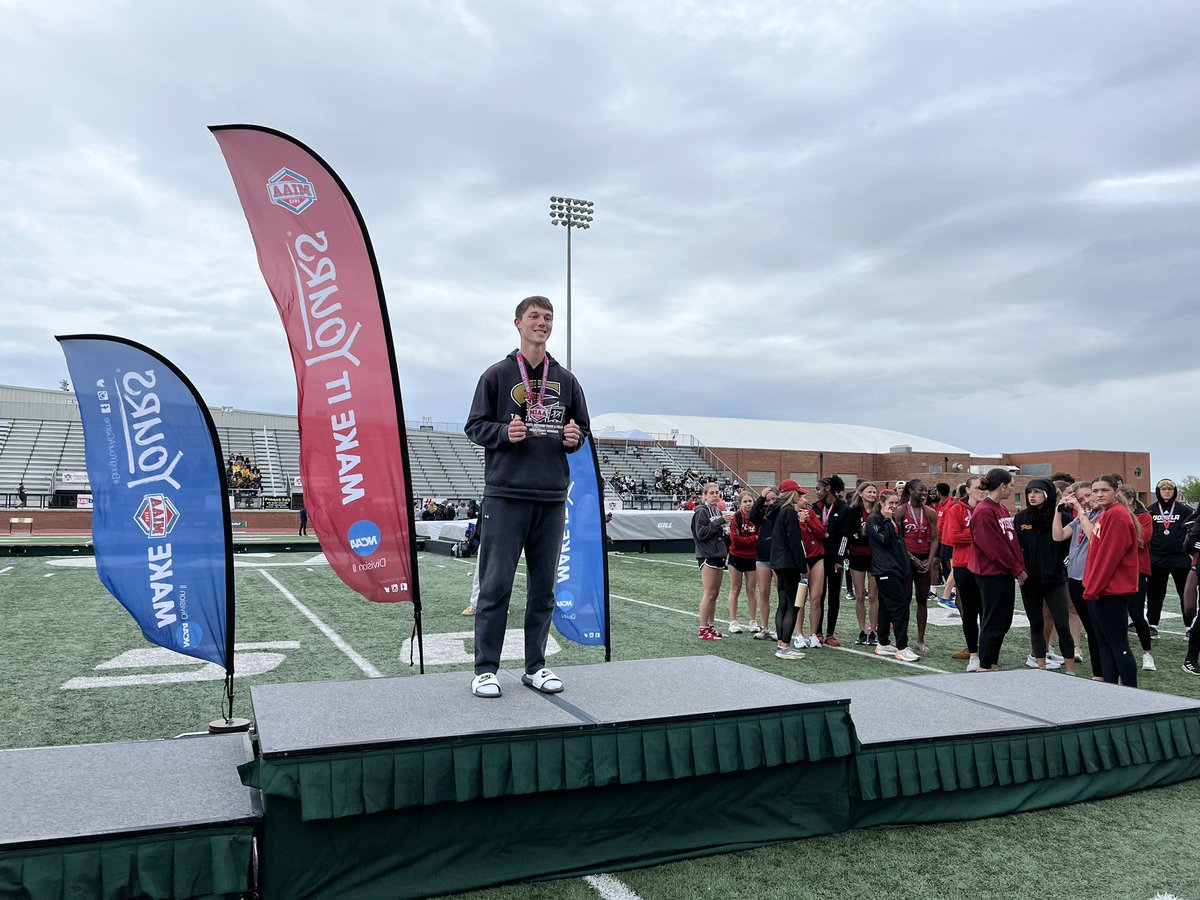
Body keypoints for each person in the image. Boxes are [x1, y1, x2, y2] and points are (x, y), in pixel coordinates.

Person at [464, 295, 589, 699]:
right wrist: (504, 433)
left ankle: (535, 666)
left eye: (547, 317)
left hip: (552, 496)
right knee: (495, 584)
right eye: (534, 316)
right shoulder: (497, 375)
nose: (542, 322)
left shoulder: (567, 380)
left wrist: (574, 439)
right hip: (506, 495)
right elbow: (474, 425)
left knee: (543, 588)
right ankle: (485, 669)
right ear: (517, 323)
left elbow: (580, 429)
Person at [1081, 475, 1140, 686]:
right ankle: (1110, 690)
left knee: (1117, 643)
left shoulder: (1117, 515)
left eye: (1104, 490)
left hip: (1112, 591)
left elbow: (1108, 558)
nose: (1099, 495)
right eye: (1095, 491)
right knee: (1104, 644)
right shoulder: (1107, 514)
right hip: (1102, 589)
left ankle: (1131, 691)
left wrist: (1092, 589)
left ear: (1116, 491)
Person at [1014, 479, 1075, 674]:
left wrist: (1062, 566)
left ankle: (1070, 668)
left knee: (1062, 624)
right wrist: (1019, 571)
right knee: (1036, 624)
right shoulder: (1021, 518)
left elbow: (1070, 549)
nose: (1032, 496)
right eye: (1029, 492)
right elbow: (1017, 548)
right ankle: (1040, 665)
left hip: (1055, 579)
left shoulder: (1063, 516)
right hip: (1030, 580)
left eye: (1037, 492)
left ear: (1048, 494)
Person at [969, 468, 1027, 672]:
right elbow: (993, 548)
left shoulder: (1001, 509)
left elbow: (1011, 542)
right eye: (1011, 486)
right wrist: (1016, 570)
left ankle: (991, 662)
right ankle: (985, 665)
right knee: (993, 621)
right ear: (1002, 486)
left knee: (1003, 621)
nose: (1013, 490)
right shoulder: (985, 510)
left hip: (1003, 573)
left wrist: (1018, 566)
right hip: (991, 574)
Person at [1057, 480, 1103, 679]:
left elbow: (1093, 535)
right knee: (1091, 629)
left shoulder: (1102, 515)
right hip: (1075, 577)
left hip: (1092, 578)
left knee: (1098, 628)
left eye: (1088, 496)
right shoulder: (1082, 517)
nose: (1085, 501)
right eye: (1081, 498)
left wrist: (1080, 511)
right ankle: (1098, 672)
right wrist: (1058, 511)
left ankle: (1103, 672)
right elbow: (1058, 536)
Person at [868, 489, 920, 661]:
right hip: (885, 570)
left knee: (886, 607)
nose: (894, 506)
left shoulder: (893, 521)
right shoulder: (875, 520)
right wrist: (889, 521)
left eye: (896, 503)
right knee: (900, 607)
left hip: (895, 570)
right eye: (891, 503)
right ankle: (902, 647)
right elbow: (884, 540)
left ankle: (882, 642)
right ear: (882, 503)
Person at [942, 476, 984, 671]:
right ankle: (973, 654)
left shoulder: (991, 508)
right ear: (968, 489)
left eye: (984, 488)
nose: (982, 491)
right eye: (977, 488)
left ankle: (987, 651)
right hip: (964, 565)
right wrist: (980, 534)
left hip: (987, 566)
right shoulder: (956, 510)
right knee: (968, 611)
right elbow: (953, 537)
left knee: (988, 611)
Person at [1146, 478, 1195, 635]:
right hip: (1157, 558)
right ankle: (1152, 625)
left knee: (1185, 593)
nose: (1167, 492)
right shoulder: (1151, 510)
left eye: (1170, 489)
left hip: (1179, 558)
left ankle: (1190, 626)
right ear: (1158, 492)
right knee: (1155, 594)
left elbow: (1194, 528)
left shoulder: (1184, 510)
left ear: (1174, 492)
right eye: (1163, 489)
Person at [898, 479, 940, 652]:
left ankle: (921, 640)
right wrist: (912, 558)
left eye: (925, 492)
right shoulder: (901, 511)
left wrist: (929, 561)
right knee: (905, 599)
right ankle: (902, 638)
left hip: (924, 559)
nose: (924, 495)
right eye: (920, 491)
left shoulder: (930, 512)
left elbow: (936, 538)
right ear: (910, 491)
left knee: (922, 599)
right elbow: (898, 538)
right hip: (906, 559)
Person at [770, 480, 809, 661]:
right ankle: (785, 646)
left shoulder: (776, 510)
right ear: (791, 493)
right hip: (789, 562)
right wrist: (802, 566)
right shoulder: (789, 512)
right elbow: (795, 542)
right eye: (798, 494)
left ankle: (781, 643)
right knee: (793, 604)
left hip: (777, 561)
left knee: (783, 603)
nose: (801, 497)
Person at [1118, 485, 1156, 671]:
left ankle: (1147, 653)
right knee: (1116, 616)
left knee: (1136, 614)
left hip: (1137, 570)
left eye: (1120, 499)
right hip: (1116, 570)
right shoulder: (1111, 515)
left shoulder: (1144, 516)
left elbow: (1141, 540)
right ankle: (1121, 654)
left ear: (1130, 500)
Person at [811, 476, 849, 647]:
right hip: (818, 558)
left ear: (827, 488)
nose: (816, 492)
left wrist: (839, 559)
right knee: (818, 595)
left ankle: (830, 634)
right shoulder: (814, 508)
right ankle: (817, 631)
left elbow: (845, 537)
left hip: (834, 560)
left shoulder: (843, 508)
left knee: (834, 596)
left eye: (818, 488)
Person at [692, 482, 733, 640]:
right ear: (705, 495)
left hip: (718, 554)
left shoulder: (717, 510)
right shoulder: (701, 511)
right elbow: (701, 533)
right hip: (707, 555)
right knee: (709, 593)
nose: (715, 495)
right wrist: (720, 521)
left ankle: (710, 626)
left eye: (717, 492)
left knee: (714, 594)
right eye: (712, 493)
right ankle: (703, 629)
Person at [846, 482, 880, 645]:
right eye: (869, 492)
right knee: (859, 595)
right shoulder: (853, 511)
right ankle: (862, 629)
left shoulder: (879, 510)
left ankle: (873, 630)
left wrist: (865, 534)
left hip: (874, 556)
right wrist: (861, 535)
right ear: (860, 493)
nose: (872, 495)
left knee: (873, 595)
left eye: (874, 492)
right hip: (857, 555)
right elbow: (849, 534)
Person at [726, 491, 761, 635]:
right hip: (736, 556)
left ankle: (753, 621)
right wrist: (754, 538)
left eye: (750, 501)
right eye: (745, 502)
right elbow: (735, 540)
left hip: (752, 557)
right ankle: (733, 621)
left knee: (751, 590)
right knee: (735, 588)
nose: (748, 504)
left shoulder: (757, 517)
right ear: (740, 504)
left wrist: (750, 539)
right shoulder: (737, 517)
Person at [795, 493, 827, 647]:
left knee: (816, 598)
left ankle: (813, 634)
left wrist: (809, 521)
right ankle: (799, 634)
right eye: (801, 499)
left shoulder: (811, 512)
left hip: (817, 556)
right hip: (802, 558)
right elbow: (797, 538)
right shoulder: (789, 514)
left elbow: (822, 533)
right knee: (800, 598)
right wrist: (801, 522)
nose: (806, 501)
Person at [748, 487, 779, 640]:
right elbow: (752, 516)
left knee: (783, 593)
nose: (772, 503)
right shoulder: (763, 512)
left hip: (780, 557)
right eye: (769, 500)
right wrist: (760, 498)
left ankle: (781, 628)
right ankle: (764, 628)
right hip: (763, 556)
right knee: (763, 592)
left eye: (774, 499)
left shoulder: (782, 511)